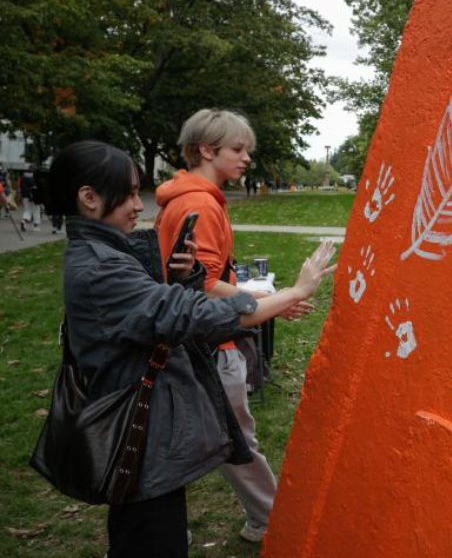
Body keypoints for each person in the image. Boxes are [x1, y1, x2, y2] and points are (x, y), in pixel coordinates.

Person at [47, 140, 336, 558]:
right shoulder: (100, 267)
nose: (137, 206)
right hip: (139, 433)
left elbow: (153, 314)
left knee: (148, 527)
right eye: (127, 194)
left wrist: (183, 276)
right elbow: (191, 316)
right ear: (89, 198)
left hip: (148, 431)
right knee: (149, 533)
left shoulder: (106, 252)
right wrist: (295, 291)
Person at [154, 109, 302, 544]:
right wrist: (272, 301)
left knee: (188, 440)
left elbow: (203, 280)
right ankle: (269, 521)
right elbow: (203, 285)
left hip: (194, 341)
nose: (246, 159)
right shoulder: (198, 202)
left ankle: (157, 529)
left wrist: (266, 302)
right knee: (235, 439)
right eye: (238, 150)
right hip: (210, 347)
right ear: (206, 149)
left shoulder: (188, 198)